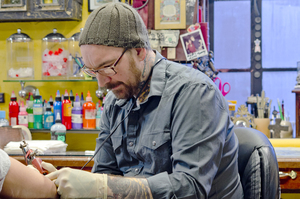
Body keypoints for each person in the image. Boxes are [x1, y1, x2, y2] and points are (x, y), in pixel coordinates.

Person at [45, 2, 244, 198]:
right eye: (93, 71)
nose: (101, 82)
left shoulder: (194, 93)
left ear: (139, 51)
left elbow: (189, 189)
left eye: (107, 67)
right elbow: (105, 175)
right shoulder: (114, 101)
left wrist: (101, 187)